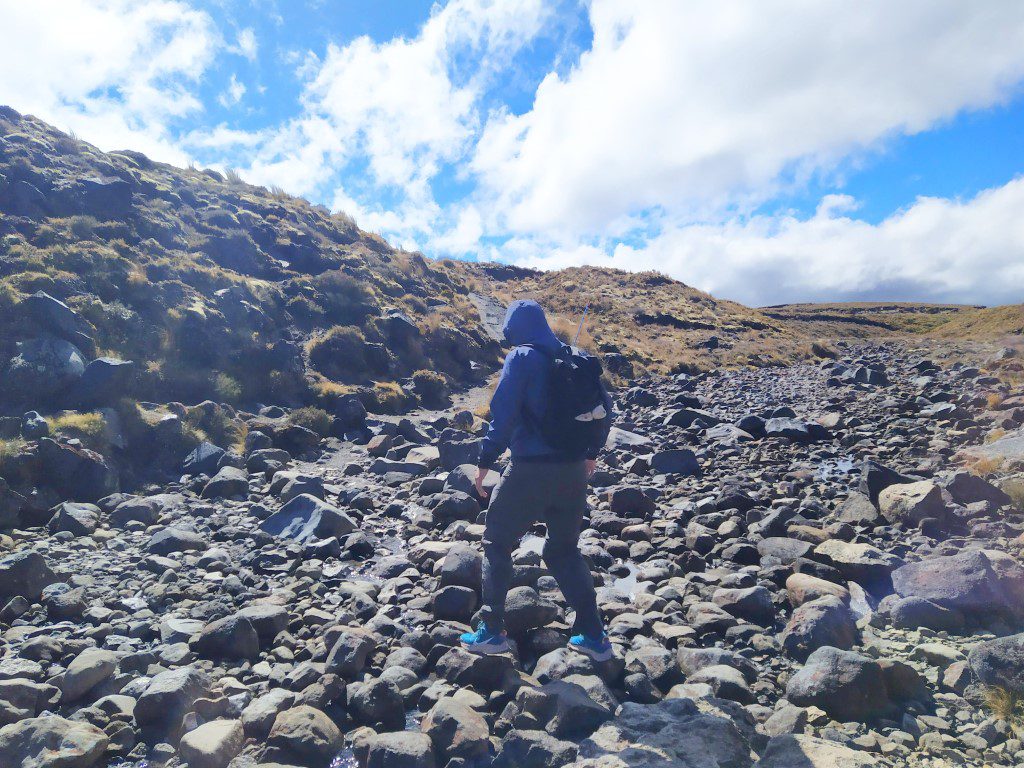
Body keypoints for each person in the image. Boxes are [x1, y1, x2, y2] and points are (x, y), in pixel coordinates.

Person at [459, 299, 615, 661]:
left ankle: (491, 631)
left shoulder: (522, 357)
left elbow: (504, 413)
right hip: (574, 471)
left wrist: (485, 460)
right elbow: (605, 411)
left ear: (516, 327)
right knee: (562, 550)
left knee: (497, 544)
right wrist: (591, 453)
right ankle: (593, 635)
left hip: (530, 469)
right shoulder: (575, 356)